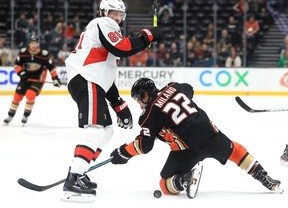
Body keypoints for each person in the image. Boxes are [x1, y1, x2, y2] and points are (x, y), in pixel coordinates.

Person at [62, 0, 164, 202]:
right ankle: (74, 178)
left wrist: (119, 105)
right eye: (113, 13)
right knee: (96, 128)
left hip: (92, 80)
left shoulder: (109, 32)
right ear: (103, 12)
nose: (117, 18)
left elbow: (105, 74)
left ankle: (80, 172)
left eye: (120, 14)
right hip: (86, 78)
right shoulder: (102, 23)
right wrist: (148, 35)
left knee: (106, 130)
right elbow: (123, 48)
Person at [110, 78, 283, 198]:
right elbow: (189, 89)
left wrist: (123, 152)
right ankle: (264, 177)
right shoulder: (174, 86)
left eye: (139, 99)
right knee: (235, 150)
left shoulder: (148, 116)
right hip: (210, 133)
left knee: (164, 183)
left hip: (188, 149)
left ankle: (182, 181)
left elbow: (144, 146)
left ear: (146, 95)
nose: (139, 104)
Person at [3, 35, 61, 125]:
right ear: (29, 44)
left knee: (30, 95)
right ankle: (10, 115)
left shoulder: (43, 55)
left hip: (37, 80)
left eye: (35, 43)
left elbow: (52, 67)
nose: (33, 45)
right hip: (25, 78)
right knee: (17, 97)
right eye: (31, 43)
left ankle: (25, 115)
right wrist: (21, 73)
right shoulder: (23, 53)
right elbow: (16, 65)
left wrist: (55, 78)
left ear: (37, 44)